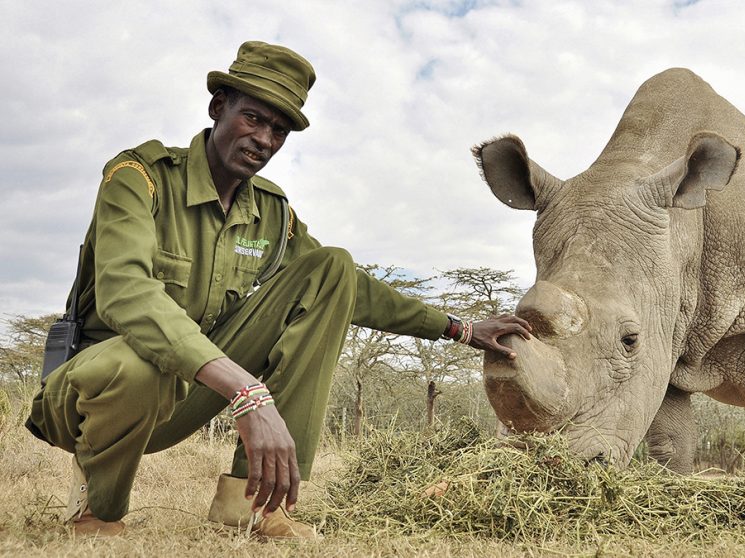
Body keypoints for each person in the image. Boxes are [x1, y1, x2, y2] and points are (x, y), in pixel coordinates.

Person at [25, 41, 531, 538]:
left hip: (182, 396)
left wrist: (459, 328)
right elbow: (126, 293)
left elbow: (349, 288)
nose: (264, 139)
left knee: (331, 267)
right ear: (218, 106)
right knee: (137, 364)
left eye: (280, 130)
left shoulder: (272, 212)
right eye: (253, 118)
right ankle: (97, 510)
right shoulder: (140, 178)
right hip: (94, 397)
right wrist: (247, 391)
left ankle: (254, 505)